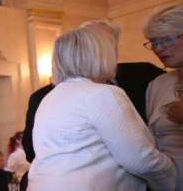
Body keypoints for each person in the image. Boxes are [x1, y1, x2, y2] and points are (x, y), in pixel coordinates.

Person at [26, 24, 176, 191]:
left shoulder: (52, 96)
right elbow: (138, 158)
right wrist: (169, 179)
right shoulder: (103, 94)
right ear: (100, 56)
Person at [21, 20, 165, 162]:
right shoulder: (43, 97)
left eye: (104, 43)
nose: (97, 49)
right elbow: (31, 151)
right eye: (90, 43)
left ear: (114, 49)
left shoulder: (143, 74)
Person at [143, 4, 183, 191]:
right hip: (166, 185)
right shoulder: (158, 85)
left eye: (165, 40)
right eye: (153, 42)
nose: (158, 48)